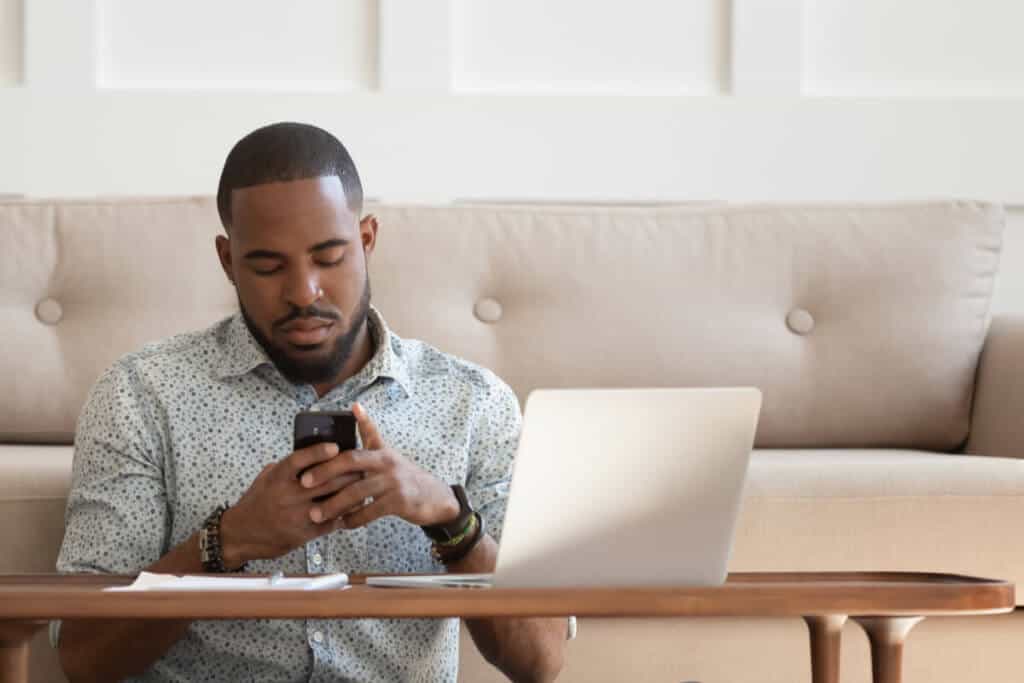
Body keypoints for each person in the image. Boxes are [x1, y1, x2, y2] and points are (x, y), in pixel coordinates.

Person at [53, 122, 567, 683]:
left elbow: (540, 662)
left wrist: (451, 518)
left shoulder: (473, 403)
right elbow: (84, 657)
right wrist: (226, 542)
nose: (303, 292)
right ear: (228, 261)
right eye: (268, 266)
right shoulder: (141, 396)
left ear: (367, 240)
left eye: (329, 257)